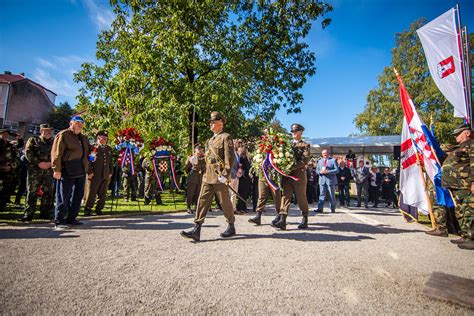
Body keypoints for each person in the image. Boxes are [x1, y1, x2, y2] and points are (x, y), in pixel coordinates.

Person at [180, 111, 236, 241]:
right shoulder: (209, 141)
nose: (211, 124)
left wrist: (225, 174)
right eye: (210, 122)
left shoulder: (226, 137)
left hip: (218, 176)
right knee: (202, 201)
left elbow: (229, 159)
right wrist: (197, 161)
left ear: (221, 122)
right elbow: (208, 159)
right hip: (207, 176)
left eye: (214, 121)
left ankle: (231, 225)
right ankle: (196, 229)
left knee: (225, 202)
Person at [51, 116, 90, 229]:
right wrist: (56, 169)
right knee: (63, 195)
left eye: (82, 123)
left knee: (78, 196)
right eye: (77, 123)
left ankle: (72, 218)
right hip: (67, 169)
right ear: (71, 123)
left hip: (81, 169)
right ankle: (59, 220)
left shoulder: (83, 138)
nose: (80, 125)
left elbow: (87, 152)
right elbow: (56, 153)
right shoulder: (63, 135)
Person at [273, 123, 311, 230]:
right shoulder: (287, 145)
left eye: (296, 131)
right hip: (287, 176)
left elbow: (305, 160)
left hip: (299, 176)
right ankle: (283, 220)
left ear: (301, 132)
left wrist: (291, 167)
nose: (293, 133)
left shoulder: (305, 145)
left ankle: (305, 218)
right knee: (285, 196)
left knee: (301, 197)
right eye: (292, 131)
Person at [442, 124, 473, 250]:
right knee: (461, 211)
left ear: (467, 133)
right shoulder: (461, 146)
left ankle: (472, 237)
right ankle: (466, 235)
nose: (456, 138)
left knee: (470, 211)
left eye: (458, 134)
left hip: (467, 185)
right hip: (458, 185)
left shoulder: (471, 144)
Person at [20, 124, 54, 221]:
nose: (49, 132)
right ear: (41, 131)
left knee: (48, 192)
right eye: (46, 130)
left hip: (48, 170)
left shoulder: (54, 142)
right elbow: (28, 152)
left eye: (50, 130)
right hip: (35, 170)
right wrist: (38, 163)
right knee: (32, 191)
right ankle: (28, 213)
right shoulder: (33, 140)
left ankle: (45, 213)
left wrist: (50, 163)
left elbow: (57, 153)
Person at [84, 131, 113, 216]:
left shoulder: (108, 148)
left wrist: (111, 171)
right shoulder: (93, 147)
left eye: (105, 139)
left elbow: (110, 162)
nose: (103, 140)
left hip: (105, 173)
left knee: (103, 193)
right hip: (95, 173)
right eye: (102, 138)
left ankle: (99, 209)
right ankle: (88, 209)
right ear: (98, 138)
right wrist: (89, 172)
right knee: (91, 192)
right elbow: (89, 161)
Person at [0, 129, 19, 211]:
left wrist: (11, 166)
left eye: (6, 134)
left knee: (6, 188)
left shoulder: (11, 145)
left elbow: (16, 157)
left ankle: (2, 205)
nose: (4, 135)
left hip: (8, 170)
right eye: (3, 133)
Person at [315, 149, 339, 213]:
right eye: (323, 153)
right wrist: (320, 172)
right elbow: (317, 170)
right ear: (322, 154)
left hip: (330, 181)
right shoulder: (319, 161)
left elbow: (337, 170)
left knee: (331, 195)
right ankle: (320, 208)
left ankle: (332, 208)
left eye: (326, 153)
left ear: (328, 154)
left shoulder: (333, 160)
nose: (325, 154)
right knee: (321, 195)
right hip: (322, 180)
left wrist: (327, 171)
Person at [185, 144, 206, 214]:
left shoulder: (203, 158)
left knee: (198, 192)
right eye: (198, 149)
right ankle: (188, 206)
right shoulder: (191, 157)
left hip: (200, 177)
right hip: (192, 177)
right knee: (190, 193)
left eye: (201, 149)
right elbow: (186, 168)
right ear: (195, 150)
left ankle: (196, 206)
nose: (200, 151)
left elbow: (204, 166)